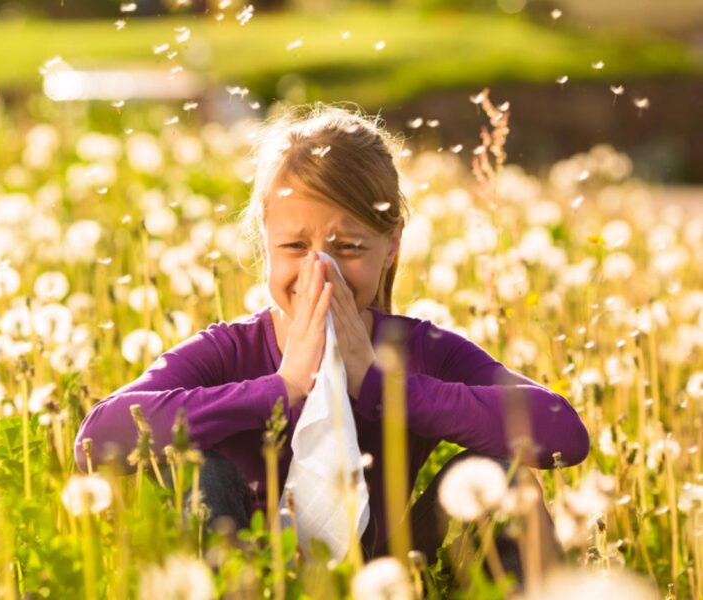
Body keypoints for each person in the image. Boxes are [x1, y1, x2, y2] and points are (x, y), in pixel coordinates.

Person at [74, 104, 589, 577]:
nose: (320, 270)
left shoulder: (420, 350)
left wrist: (383, 387)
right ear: (264, 243)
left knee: (501, 477)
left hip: (389, 575)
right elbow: (96, 439)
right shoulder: (230, 350)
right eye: (295, 246)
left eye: (348, 246)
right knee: (197, 471)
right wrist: (282, 387)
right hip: (247, 574)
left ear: (391, 247)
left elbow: (563, 432)